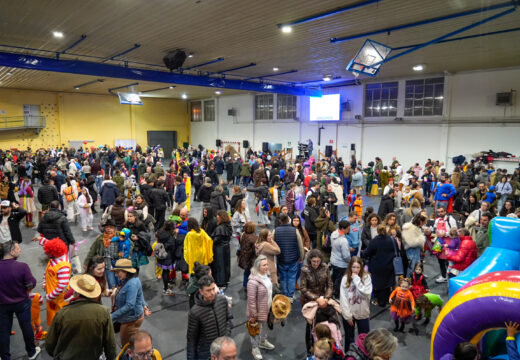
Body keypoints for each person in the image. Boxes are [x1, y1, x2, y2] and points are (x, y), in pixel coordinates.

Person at [45, 274, 116, 360]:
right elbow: (110, 343)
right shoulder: (103, 312)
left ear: (76, 293)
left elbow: (49, 344)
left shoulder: (62, 314)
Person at [0, 241, 41, 360]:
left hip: (2, 304)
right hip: (21, 303)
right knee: (26, 327)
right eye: (18, 248)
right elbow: (31, 283)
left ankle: (4, 356)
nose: (20, 250)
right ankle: (31, 352)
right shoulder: (22, 266)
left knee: (3, 331)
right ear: (12, 252)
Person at [187, 275, 232, 360]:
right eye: (208, 290)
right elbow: (191, 340)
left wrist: (226, 336)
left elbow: (228, 319)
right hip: (206, 355)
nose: (212, 293)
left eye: (213, 289)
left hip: (223, 350)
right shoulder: (195, 312)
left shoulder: (222, 301)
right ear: (201, 291)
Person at [111, 258, 152, 346]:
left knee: (127, 345)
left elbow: (129, 305)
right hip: (129, 317)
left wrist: (111, 316)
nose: (116, 275)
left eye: (118, 272)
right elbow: (140, 295)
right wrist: (145, 306)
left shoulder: (132, 284)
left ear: (126, 271)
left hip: (131, 319)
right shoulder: (127, 280)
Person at [300, 249, 333, 354]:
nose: (316, 264)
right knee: (310, 327)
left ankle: (323, 349)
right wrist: (316, 299)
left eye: (318, 261)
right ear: (310, 260)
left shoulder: (325, 268)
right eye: (314, 261)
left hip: (323, 301)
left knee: (323, 326)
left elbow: (330, 285)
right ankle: (310, 350)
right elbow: (303, 288)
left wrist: (326, 298)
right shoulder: (305, 270)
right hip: (309, 302)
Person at [340, 256, 372, 351]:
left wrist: (357, 279)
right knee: (349, 338)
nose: (355, 270)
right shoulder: (345, 279)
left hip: (363, 313)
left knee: (364, 338)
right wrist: (347, 316)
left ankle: (364, 355)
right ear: (350, 267)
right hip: (349, 313)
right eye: (353, 267)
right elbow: (343, 298)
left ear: (361, 267)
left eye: (358, 267)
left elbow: (365, 293)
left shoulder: (366, 277)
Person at [247, 255, 275, 359]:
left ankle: (262, 342)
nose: (267, 267)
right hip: (257, 311)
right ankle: (255, 348)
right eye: (264, 265)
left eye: (267, 264)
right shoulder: (253, 281)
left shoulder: (267, 275)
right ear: (258, 266)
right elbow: (251, 300)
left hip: (267, 307)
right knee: (255, 330)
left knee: (265, 327)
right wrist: (253, 315)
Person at [363, 225, 396, 307]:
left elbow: (367, 253)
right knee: (387, 283)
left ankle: (381, 302)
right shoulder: (391, 239)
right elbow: (396, 251)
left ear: (377, 231)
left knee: (379, 285)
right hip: (389, 265)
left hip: (377, 266)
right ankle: (388, 299)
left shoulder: (374, 241)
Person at [274, 213, 304, 299]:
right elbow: (300, 246)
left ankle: (284, 294)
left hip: (281, 259)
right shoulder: (295, 231)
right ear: (288, 220)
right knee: (292, 277)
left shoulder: (275, 231)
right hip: (293, 259)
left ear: (280, 221)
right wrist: (301, 257)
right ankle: (290, 295)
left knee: (283, 277)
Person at [84, 219, 120, 289]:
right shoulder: (100, 238)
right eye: (107, 227)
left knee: (121, 282)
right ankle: (114, 298)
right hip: (107, 263)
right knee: (111, 283)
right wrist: (86, 262)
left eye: (111, 227)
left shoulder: (120, 235)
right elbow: (92, 250)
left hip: (119, 263)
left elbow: (130, 245)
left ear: (114, 228)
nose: (108, 229)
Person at [330, 220, 352, 299]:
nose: (349, 230)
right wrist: (350, 261)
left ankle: (330, 292)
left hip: (333, 261)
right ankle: (337, 296)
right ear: (343, 229)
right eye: (348, 228)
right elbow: (346, 256)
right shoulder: (344, 241)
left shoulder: (334, 234)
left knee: (333, 278)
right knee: (339, 281)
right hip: (341, 265)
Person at [211, 210, 233, 288]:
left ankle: (220, 281)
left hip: (219, 249)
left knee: (220, 265)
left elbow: (216, 240)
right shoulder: (228, 226)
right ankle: (226, 279)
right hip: (226, 248)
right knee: (226, 264)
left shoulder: (219, 228)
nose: (216, 217)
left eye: (218, 215)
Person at [155, 221, 176, 295]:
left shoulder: (160, 232)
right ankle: (166, 289)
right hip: (168, 257)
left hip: (160, 255)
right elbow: (173, 248)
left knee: (164, 272)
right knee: (166, 272)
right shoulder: (171, 237)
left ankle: (166, 285)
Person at [238, 221, 258, 289]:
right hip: (251, 259)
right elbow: (255, 251)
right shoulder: (254, 238)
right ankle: (250, 287)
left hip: (243, 257)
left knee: (246, 272)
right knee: (252, 273)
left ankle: (245, 285)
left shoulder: (243, 235)